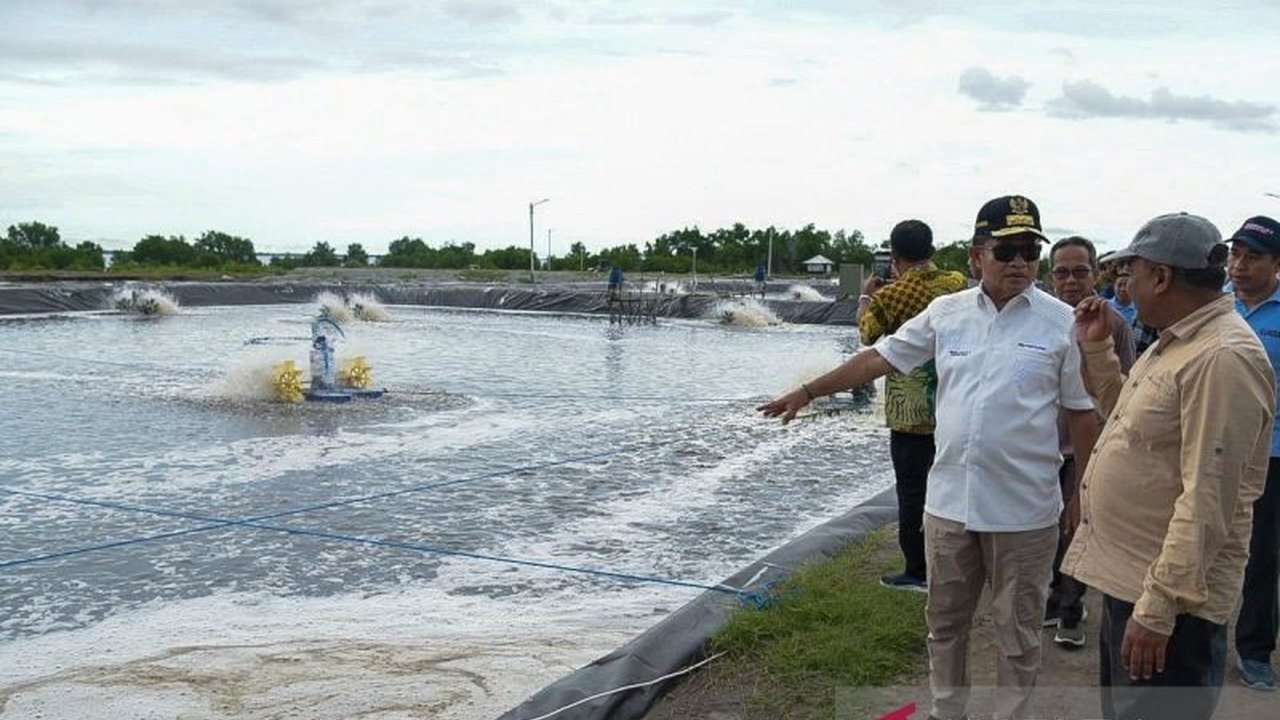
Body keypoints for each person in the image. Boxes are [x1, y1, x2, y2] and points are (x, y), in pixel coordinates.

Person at [760, 195, 1100, 720]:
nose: (1019, 263)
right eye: (1006, 250)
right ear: (975, 257)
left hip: (1025, 511)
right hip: (949, 506)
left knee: (1018, 635)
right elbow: (880, 356)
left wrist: (1083, 496)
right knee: (945, 627)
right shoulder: (947, 314)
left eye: (1030, 251)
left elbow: (1082, 415)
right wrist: (808, 391)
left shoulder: (1061, 323)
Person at [1064, 213, 1273, 720]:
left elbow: (1209, 499)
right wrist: (1096, 348)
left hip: (1170, 602)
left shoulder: (1222, 357)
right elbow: (1130, 424)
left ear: (1161, 277)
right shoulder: (1178, 340)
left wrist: (1158, 609)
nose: (1124, 285)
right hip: (1136, 579)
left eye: (1130, 271)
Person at [856, 219, 967, 593]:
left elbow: (866, 335)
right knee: (950, 485)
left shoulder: (891, 295)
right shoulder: (955, 285)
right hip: (953, 402)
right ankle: (952, 561)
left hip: (910, 412)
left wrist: (866, 296)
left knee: (912, 491)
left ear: (896, 256)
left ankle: (917, 570)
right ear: (932, 251)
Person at [1045, 236, 1136, 649]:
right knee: (1043, 528)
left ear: (1095, 273)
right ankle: (1051, 597)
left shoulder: (1114, 324)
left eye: (1080, 270)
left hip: (1089, 446)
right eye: (1061, 271)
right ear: (1051, 277)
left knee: (1075, 528)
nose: (1071, 280)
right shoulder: (1040, 320)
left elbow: (1129, 389)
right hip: (1040, 445)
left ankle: (1070, 609)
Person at [1226, 214, 1280, 692]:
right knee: (1202, 541)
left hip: (1271, 454)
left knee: (1260, 554)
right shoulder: (1218, 307)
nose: (1240, 265)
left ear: (1277, 263)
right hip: (1214, 446)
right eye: (1235, 254)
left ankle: (1255, 650)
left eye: (1253, 257)